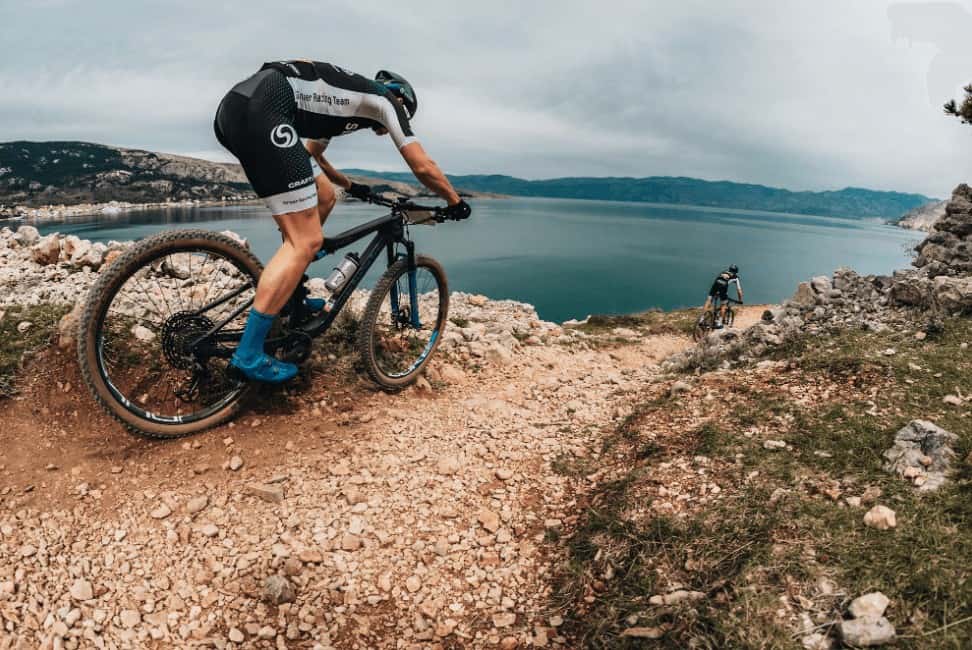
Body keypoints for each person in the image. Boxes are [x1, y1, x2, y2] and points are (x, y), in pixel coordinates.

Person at [213, 60, 471, 382]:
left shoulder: (340, 106)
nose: (387, 129)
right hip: (265, 108)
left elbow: (314, 156)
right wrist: (455, 201)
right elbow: (422, 166)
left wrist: (352, 187)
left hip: (235, 110)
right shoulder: (386, 100)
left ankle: (293, 295)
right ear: (401, 100)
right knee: (305, 241)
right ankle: (249, 354)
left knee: (324, 196)